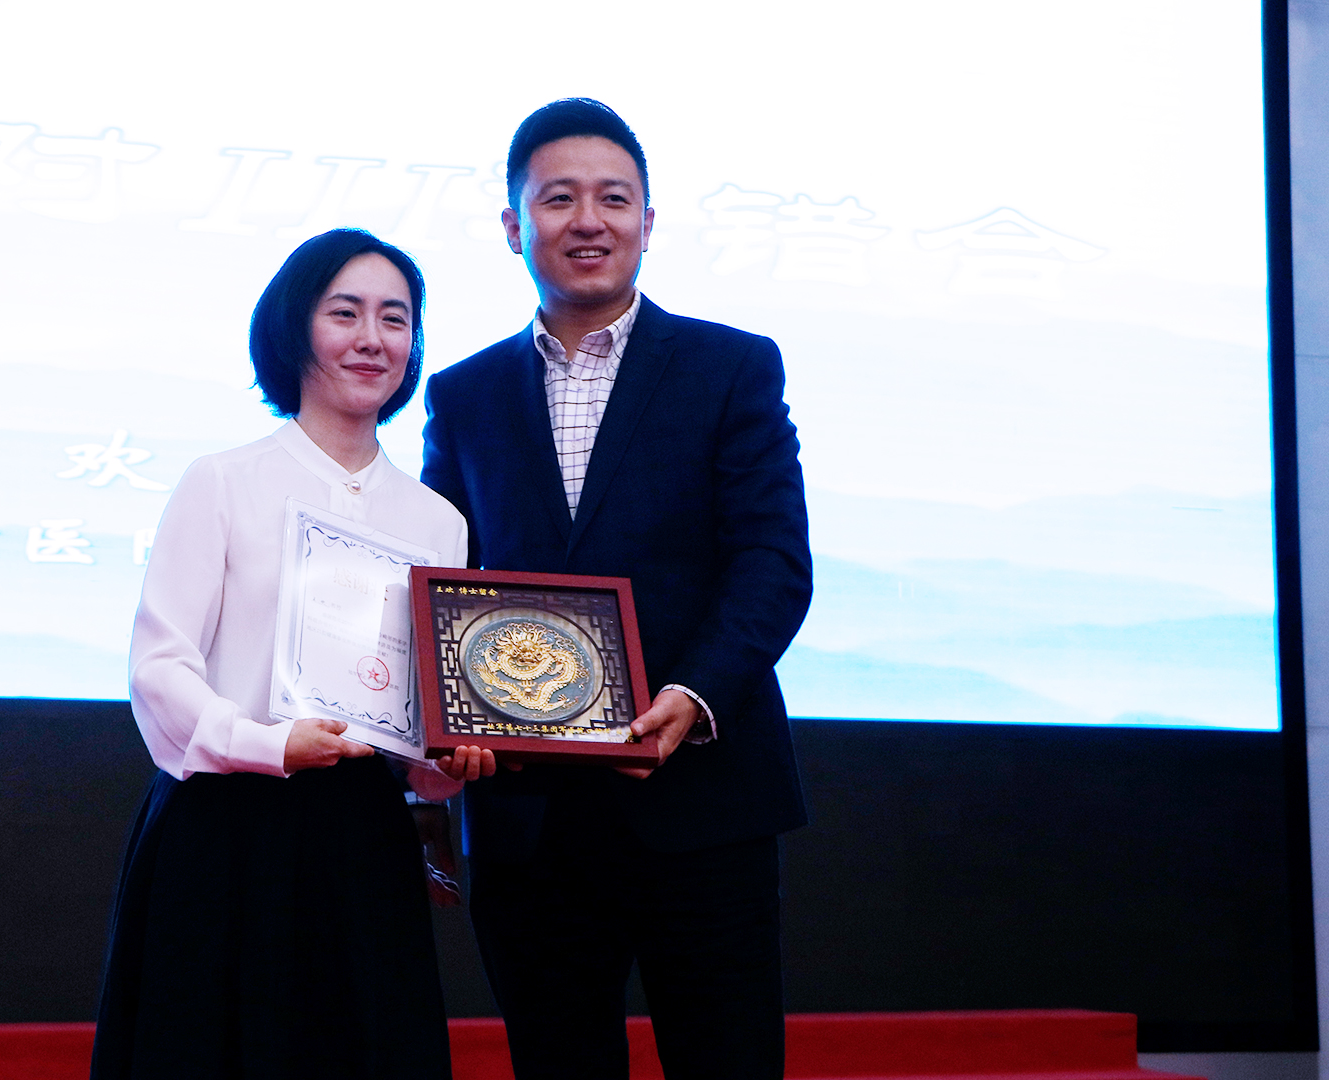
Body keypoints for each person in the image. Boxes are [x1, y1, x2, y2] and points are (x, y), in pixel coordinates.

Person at [421, 99, 814, 1080]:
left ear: (648, 220)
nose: (587, 220)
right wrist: (444, 714)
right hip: (528, 819)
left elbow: (772, 561)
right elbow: (439, 578)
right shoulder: (463, 396)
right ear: (514, 226)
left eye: (613, 198)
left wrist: (693, 695)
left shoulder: (732, 368)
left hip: (702, 798)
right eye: (558, 199)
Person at [92, 228, 495, 1080]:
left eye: (395, 319)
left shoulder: (438, 522)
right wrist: (269, 743)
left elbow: (421, 735)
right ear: (293, 328)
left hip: (363, 840)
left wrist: (448, 763)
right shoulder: (223, 481)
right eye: (345, 313)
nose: (373, 338)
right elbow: (160, 668)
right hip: (226, 832)